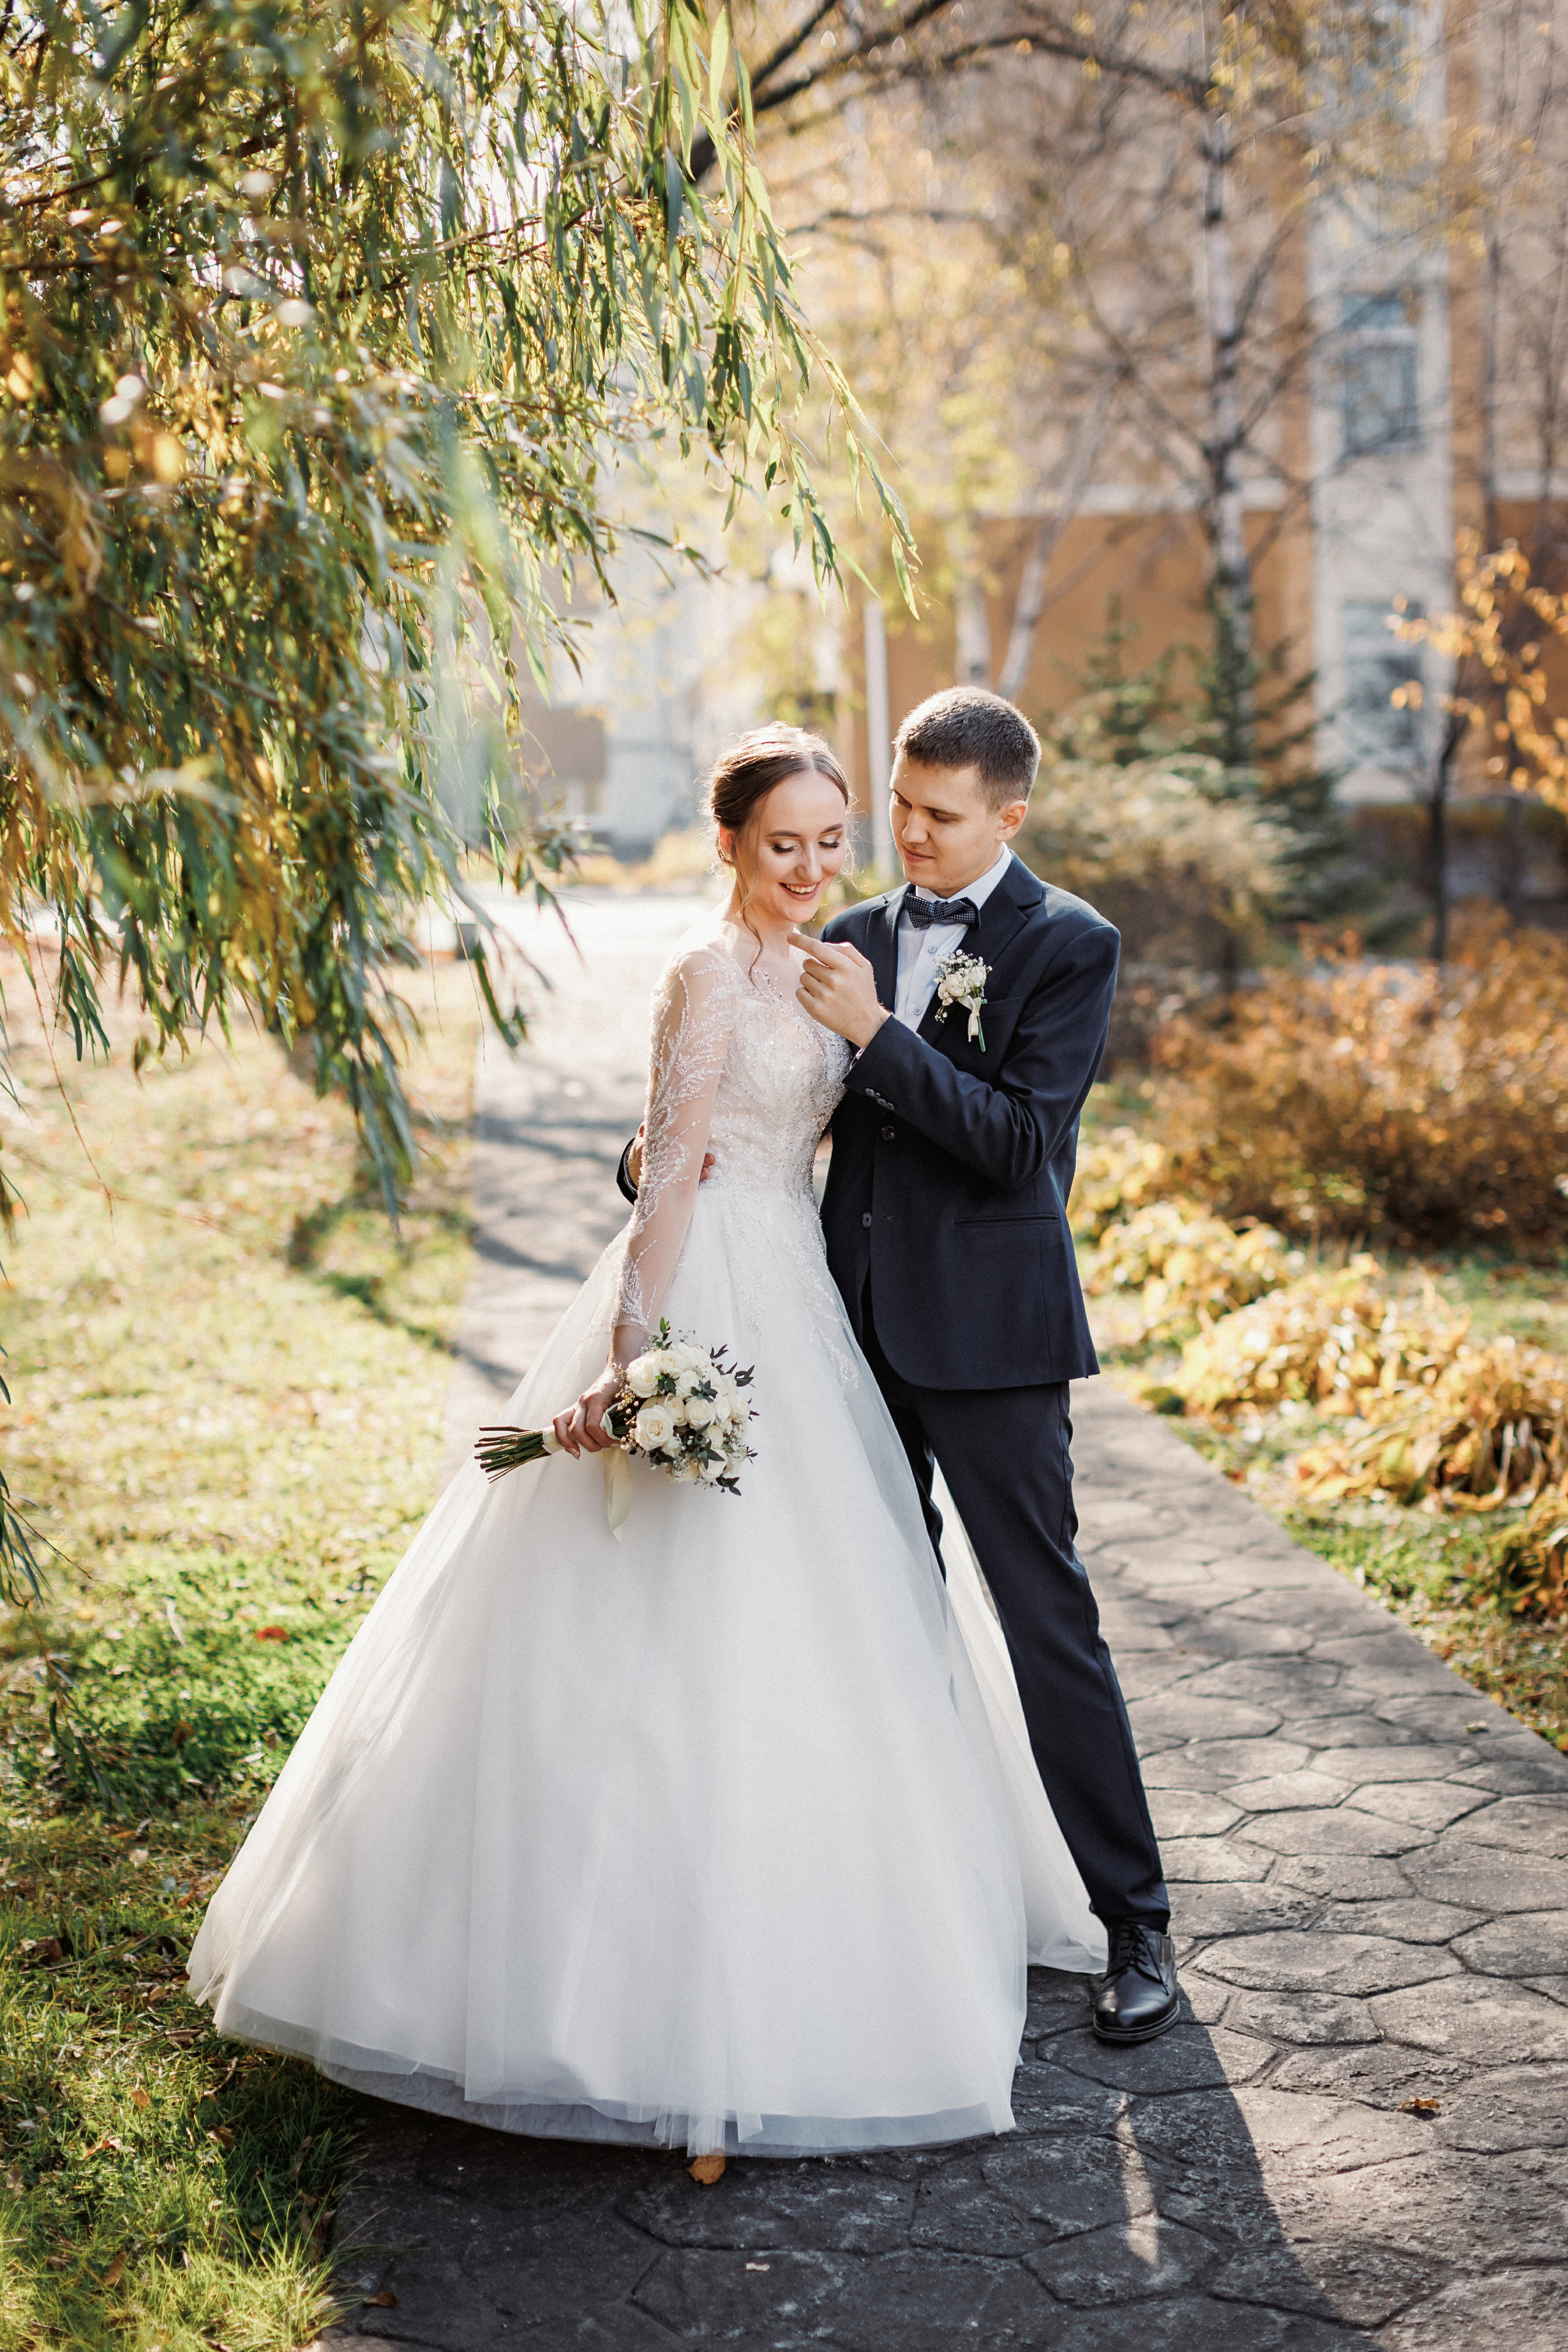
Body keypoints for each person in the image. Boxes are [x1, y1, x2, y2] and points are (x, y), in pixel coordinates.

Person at [187, 725, 1106, 2164]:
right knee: (670, 1605)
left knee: (888, 1608)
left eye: (834, 838)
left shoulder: (884, 959)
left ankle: (999, 1916)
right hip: (716, 1299)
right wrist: (637, 1354)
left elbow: (952, 1134)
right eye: (784, 840)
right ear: (729, 841)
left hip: (825, 1307)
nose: (818, 864)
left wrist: (857, 1034)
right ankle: (617, 1979)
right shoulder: (710, 968)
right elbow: (668, 1159)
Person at [624, 688, 1178, 2045]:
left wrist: (882, 1034)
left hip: (989, 1341)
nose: (906, 837)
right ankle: (923, 1898)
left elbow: (1013, 1146)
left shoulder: (1068, 945)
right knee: (874, 1618)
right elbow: (749, 1111)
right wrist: (649, 1166)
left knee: (1044, 1621)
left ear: (1007, 815)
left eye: (938, 816)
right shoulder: (852, 930)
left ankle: (1136, 1924)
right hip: (841, 1329)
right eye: (900, 807)